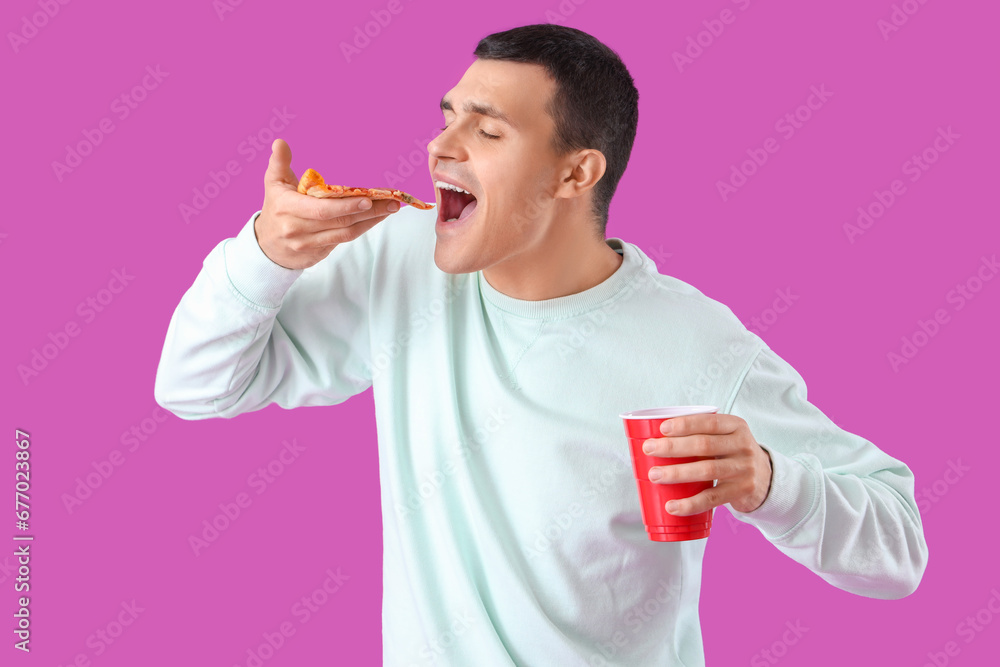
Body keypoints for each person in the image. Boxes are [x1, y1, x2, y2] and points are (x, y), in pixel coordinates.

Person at [154, 23, 928, 667]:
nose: (440, 144)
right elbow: (192, 385)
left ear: (575, 173)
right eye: (449, 114)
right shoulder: (399, 259)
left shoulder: (699, 345)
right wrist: (265, 254)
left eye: (487, 129)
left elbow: (900, 552)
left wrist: (768, 481)